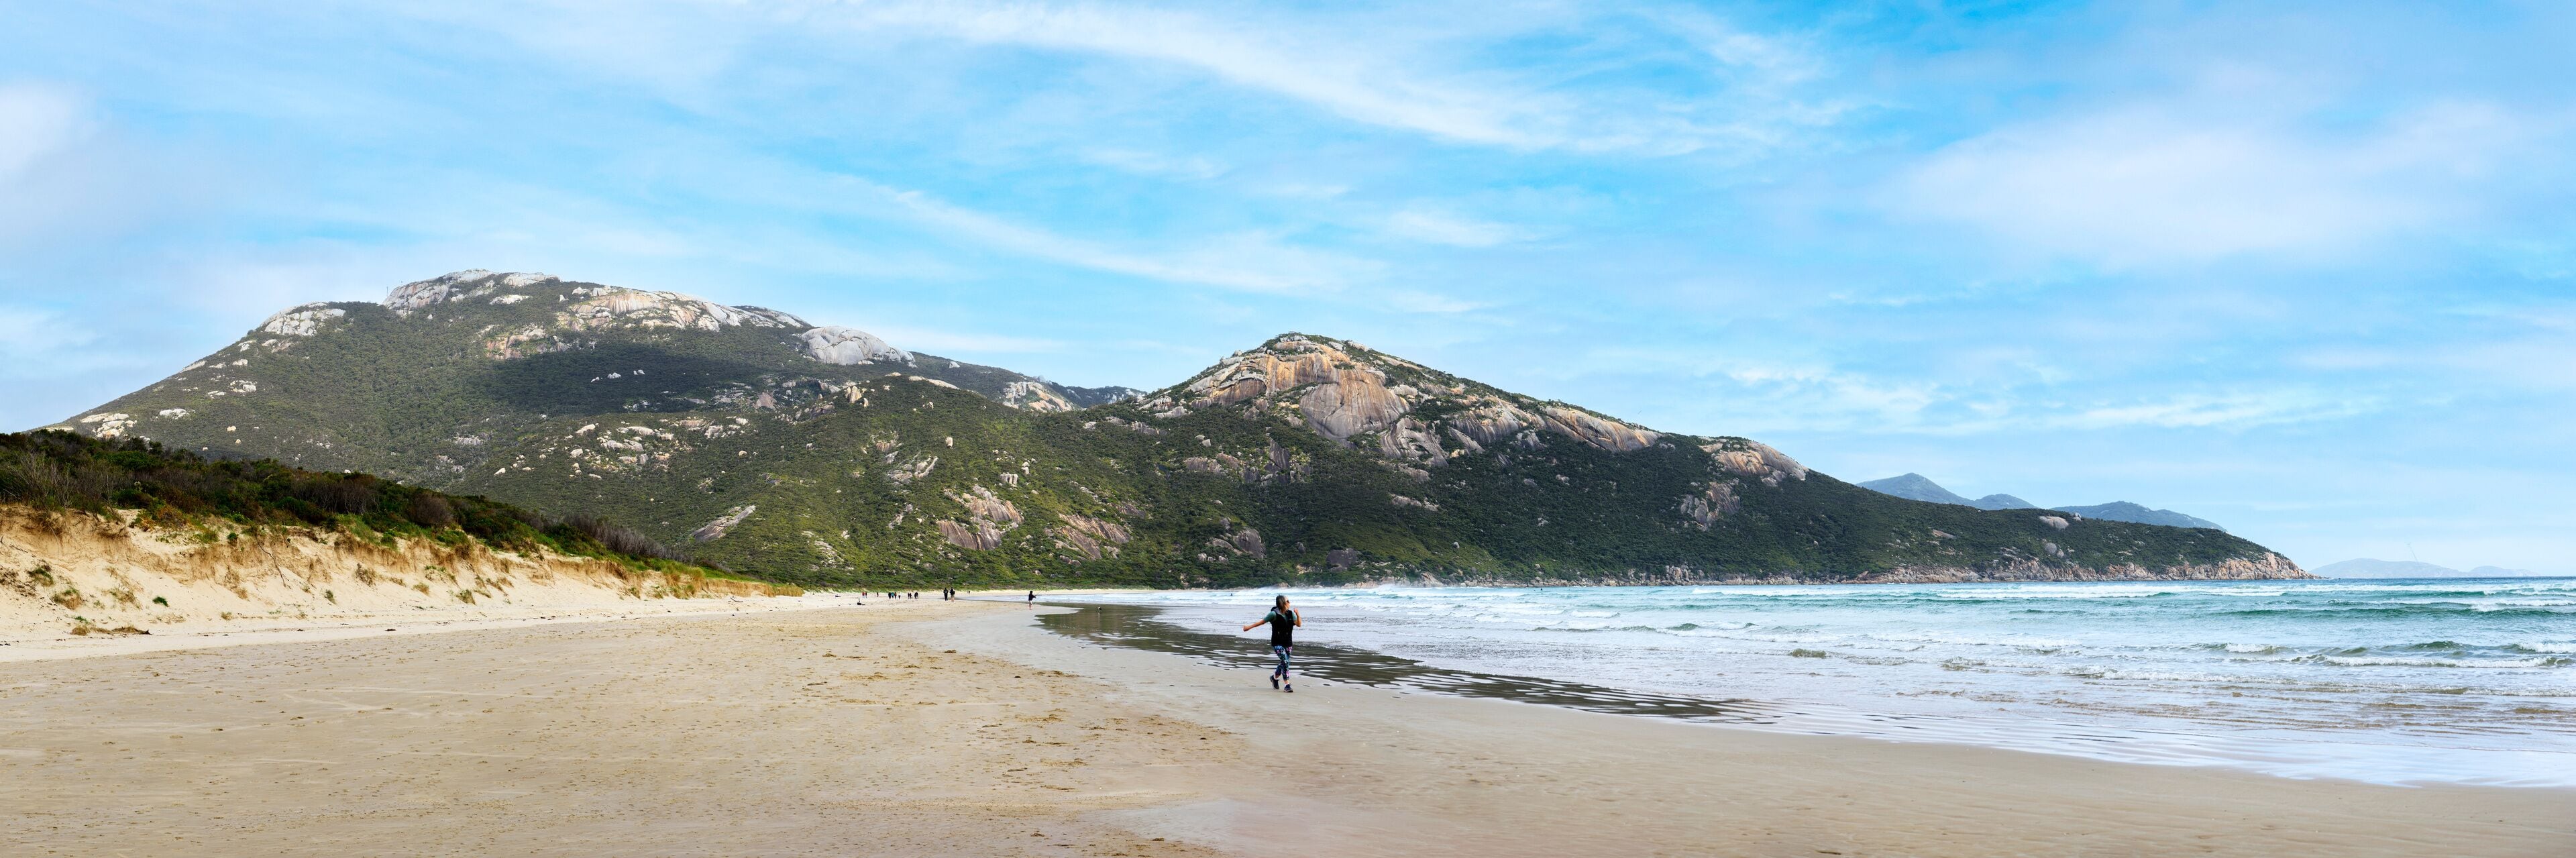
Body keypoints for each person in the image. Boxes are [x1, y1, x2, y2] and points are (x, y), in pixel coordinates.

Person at [1242, 595, 1303, 692]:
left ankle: (1274, 678)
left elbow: (1299, 624)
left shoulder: (1291, 614)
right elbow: (1262, 622)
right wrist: (1248, 627)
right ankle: (1287, 685)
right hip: (1277, 643)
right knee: (1286, 662)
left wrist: (1298, 615)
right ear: (1283, 603)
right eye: (1288, 601)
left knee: (1284, 662)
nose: (1290, 603)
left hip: (1288, 643)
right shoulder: (1273, 614)